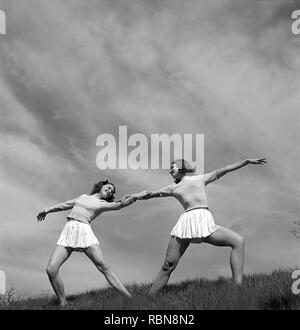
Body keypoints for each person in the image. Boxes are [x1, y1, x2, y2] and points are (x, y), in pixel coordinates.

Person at [137, 158, 267, 295]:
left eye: (172, 167)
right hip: (185, 225)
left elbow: (226, 169)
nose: (170, 170)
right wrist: (135, 196)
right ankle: (150, 297)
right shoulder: (173, 187)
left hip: (204, 222)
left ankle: (238, 289)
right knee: (168, 265)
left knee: (238, 241)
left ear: (181, 168)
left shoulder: (201, 179)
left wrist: (246, 161)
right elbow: (149, 195)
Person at [37, 180, 147, 306]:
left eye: (112, 190)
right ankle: (63, 303)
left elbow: (120, 204)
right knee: (51, 269)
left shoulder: (103, 203)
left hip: (84, 231)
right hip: (69, 230)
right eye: (109, 187)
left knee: (103, 266)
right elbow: (65, 205)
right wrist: (46, 210)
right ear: (101, 186)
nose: (110, 190)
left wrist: (137, 196)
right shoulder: (83, 197)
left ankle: (128, 297)